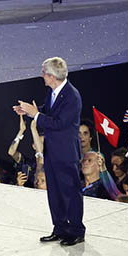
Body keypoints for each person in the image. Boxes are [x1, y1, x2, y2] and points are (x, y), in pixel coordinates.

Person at [14, 57, 85, 246]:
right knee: (54, 191)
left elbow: (60, 123)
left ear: (52, 76)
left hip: (66, 153)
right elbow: (50, 112)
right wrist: (28, 111)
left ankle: (77, 231)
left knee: (70, 192)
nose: (41, 76)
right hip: (52, 150)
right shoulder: (53, 92)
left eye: (44, 73)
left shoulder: (72, 96)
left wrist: (36, 114)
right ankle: (60, 228)